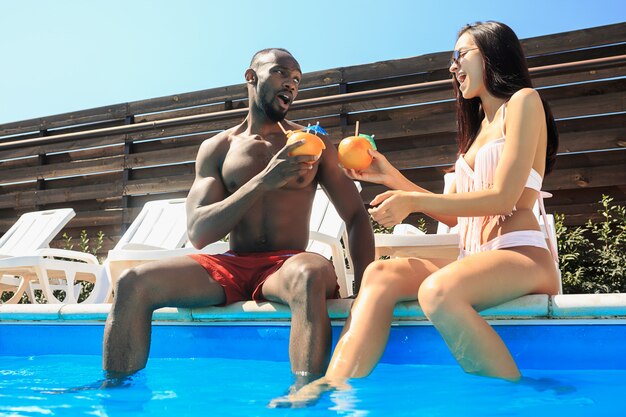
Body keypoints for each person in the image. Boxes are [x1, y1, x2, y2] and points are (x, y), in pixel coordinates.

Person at [270, 21, 560, 406]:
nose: (453, 68)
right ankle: (332, 386)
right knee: (380, 272)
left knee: (438, 291)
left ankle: (520, 400)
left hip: (521, 256)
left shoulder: (523, 102)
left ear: (493, 52)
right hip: (474, 259)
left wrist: (414, 203)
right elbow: (455, 217)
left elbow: (504, 198)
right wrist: (389, 176)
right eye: (451, 61)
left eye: (461, 55)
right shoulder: (474, 135)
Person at [102, 48, 375, 386]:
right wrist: (264, 181)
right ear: (251, 77)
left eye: (296, 80)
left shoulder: (314, 142)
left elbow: (356, 216)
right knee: (132, 283)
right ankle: (114, 394)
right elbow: (200, 232)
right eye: (280, 73)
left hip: (287, 266)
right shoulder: (219, 148)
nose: (290, 84)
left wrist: (364, 291)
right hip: (232, 266)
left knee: (309, 274)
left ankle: (305, 397)